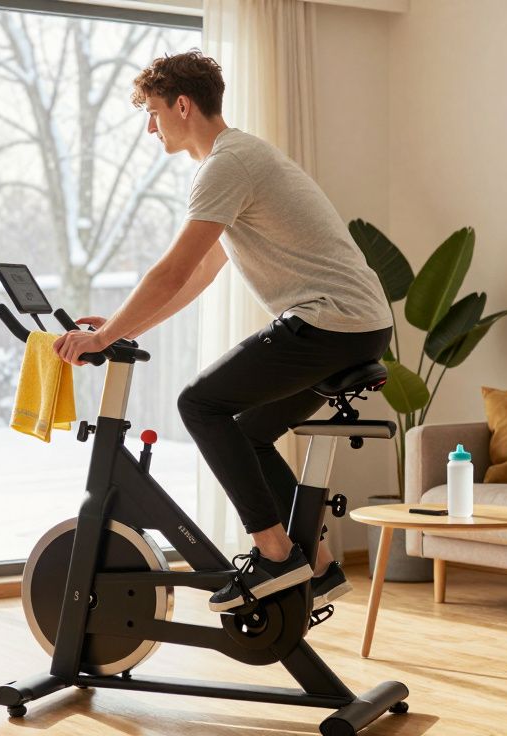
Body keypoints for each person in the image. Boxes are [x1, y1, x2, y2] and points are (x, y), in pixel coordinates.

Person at [53, 51, 392, 614]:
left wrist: (105, 335)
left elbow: (171, 271)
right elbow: (201, 273)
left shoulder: (227, 164)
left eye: (155, 112)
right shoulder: (238, 159)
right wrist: (114, 330)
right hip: (358, 326)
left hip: (328, 321)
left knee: (198, 404)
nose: (149, 126)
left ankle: (275, 555)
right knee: (251, 431)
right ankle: (322, 566)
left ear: (182, 104)